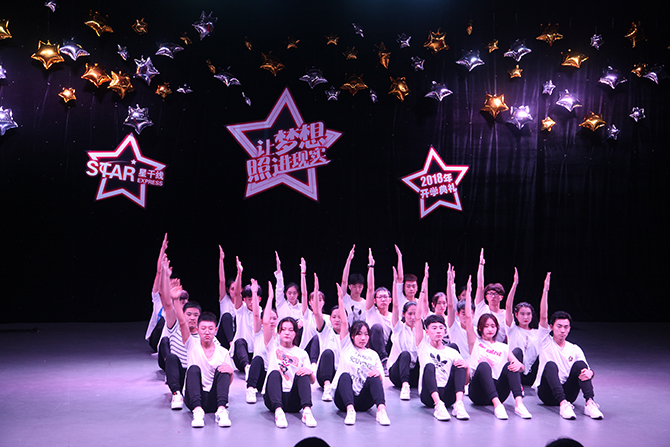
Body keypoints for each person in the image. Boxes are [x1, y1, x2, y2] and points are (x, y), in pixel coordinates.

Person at [160, 256, 234, 428]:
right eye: (203, 328)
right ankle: (197, 412)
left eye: (210, 329)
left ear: (215, 330)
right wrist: (175, 299)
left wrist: (230, 373)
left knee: (224, 369)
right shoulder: (192, 344)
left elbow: (226, 382)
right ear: (198, 330)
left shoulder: (222, 351)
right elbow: (182, 321)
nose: (207, 332)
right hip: (194, 397)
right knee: (192, 369)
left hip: (214, 399)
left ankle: (222, 411)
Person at [533, 272, 604, 420]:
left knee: (580, 365)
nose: (562, 330)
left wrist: (591, 373)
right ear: (551, 327)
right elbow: (543, 316)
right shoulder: (545, 341)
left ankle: (590, 403)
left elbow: (587, 371)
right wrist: (545, 290)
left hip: (568, 392)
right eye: (559, 326)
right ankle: (563, 405)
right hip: (547, 394)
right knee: (550, 365)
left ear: (569, 329)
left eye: (566, 327)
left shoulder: (574, 348)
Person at [464, 273, 532, 419]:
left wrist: (518, 365)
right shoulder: (475, 342)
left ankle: (519, 404)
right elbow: (468, 317)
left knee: (511, 365)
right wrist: (469, 293)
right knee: (484, 365)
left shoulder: (503, 347)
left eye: (493, 326)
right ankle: (497, 406)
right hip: (478, 394)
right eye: (486, 326)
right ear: (480, 328)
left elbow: (521, 367)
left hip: (499, 390)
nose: (490, 329)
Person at [332, 282, 390, 426]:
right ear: (352, 336)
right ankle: (350, 411)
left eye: (366, 334)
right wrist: (340, 300)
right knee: (344, 376)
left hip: (364, 401)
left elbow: (381, 380)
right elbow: (344, 322)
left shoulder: (373, 354)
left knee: (375, 376)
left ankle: (381, 411)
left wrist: (378, 374)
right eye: (359, 334)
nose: (363, 338)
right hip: (343, 400)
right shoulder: (347, 346)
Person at [262, 278, 317, 428]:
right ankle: (279, 413)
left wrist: (309, 372)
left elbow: (312, 381)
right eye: (283, 329)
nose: (287, 332)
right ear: (278, 332)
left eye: (291, 330)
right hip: (273, 399)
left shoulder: (302, 353)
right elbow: (266, 323)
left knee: (303, 373)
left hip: (294, 399)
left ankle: (307, 412)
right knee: (274, 373)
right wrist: (270, 298)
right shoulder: (272, 347)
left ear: (295, 333)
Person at [415, 301, 470, 421]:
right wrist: (423, 292)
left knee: (460, 365)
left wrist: (466, 368)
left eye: (441, 328)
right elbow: (418, 318)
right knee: (429, 366)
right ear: (427, 332)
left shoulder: (452, 352)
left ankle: (459, 404)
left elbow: (466, 382)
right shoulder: (423, 347)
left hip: (448, 394)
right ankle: (438, 405)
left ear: (445, 331)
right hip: (428, 395)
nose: (438, 331)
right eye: (434, 328)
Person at [387, 264, 423, 400]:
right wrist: (395, 282)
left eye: (415, 314)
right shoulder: (399, 328)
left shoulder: (421, 331)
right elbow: (395, 306)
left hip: (414, 373)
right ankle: (405, 387)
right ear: (404, 314)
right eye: (410, 314)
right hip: (397, 374)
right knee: (405, 355)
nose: (413, 317)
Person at [245, 276, 278, 404]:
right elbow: (256, 314)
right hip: (259, 375)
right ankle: (251, 389)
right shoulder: (259, 333)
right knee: (257, 359)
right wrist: (255, 293)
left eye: (274, 318)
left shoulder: (281, 336)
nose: (271, 321)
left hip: (273, 376)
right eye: (269, 318)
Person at [505, 268, 540, 386]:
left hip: (532, 374)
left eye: (528, 314)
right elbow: (508, 306)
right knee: (517, 352)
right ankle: (516, 383)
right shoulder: (512, 328)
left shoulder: (537, 332)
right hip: (515, 371)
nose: (526, 317)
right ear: (516, 315)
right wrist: (515, 284)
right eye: (522, 314)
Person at [312, 278, 343, 402]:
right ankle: (327, 388)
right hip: (324, 374)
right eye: (334, 317)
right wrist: (316, 290)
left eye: (340, 317)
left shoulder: (349, 336)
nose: (337, 319)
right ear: (330, 319)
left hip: (341, 373)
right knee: (328, 353)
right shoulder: (326, 331)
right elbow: (316, 312)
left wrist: (341, 299)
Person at [364, 248, 393, 376]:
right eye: (380, 297)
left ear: (390, 300)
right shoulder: (372, 312)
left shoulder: (393, 316)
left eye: (385, 297)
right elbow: (370, 289)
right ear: (375, 300)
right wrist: (371, 267)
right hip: (373, 347)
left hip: (389, 349)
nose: (383, 299)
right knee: (376, 327)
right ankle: (383, 360)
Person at [474, 249, 512, 343]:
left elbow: (508, 335)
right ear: (486, 296)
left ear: (501, 297)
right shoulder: (482, 308)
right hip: (481, 345)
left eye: (496, 293)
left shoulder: (505, 314)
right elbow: (480, 286)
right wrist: (481, 265)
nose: (493, 296)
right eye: (490, 293)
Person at [230, 257, 257, 378]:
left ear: (259, 298)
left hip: (256, 355)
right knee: (240, 342)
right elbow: (236, 294)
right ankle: (247, 368)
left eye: (254, 298)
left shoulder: (262, 312)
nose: (251, 302)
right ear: (244, 299)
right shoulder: (241, 310)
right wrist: (239, 274)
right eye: (248, 299)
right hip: (240, 356)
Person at [146, 233, 168, 353]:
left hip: (169, 339)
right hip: (156, 338)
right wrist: (162, 250)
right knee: (163, 321)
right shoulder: (158, 299)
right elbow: (159, 272)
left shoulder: (176, 302)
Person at [339, 245, 366, 325]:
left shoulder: (366, 303)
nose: (357, 289)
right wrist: (349, 260)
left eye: (360, 287)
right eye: (354, 286)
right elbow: (344, 281)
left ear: (363, 287)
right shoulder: (345, 298)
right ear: (349, 286)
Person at [216, 246, 236, 350]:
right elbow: (222, 281)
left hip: (237, 335)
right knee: (227, 316)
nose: (235, 291)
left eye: (237, 288)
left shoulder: (243, 304)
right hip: (223, 337)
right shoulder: (225, 300)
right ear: (228, 290)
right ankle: (232, 344)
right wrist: (221, 260)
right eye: (232, 289)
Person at [395, 245, 419, 310]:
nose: (411, 289)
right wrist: (400, 257)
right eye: (408, 286)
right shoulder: (400, 298)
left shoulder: (420, 302)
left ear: (417, 288)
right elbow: (400, 278)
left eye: (413, 286)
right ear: (403, 288)